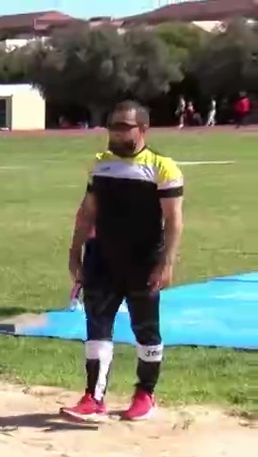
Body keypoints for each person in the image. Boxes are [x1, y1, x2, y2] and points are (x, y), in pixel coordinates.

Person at [61, 100, 184, 423]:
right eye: (112, 126)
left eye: (123, 127)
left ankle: (145, 394)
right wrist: (75, 252)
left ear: (142, 129)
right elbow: (87, 211)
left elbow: (174, 221)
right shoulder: (101, 164)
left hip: (144, 260)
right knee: (97, 327)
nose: (115, 133)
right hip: (101, 258)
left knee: (146, 329)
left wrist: (167, 262)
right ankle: (94, 398)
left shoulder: (162, 167)